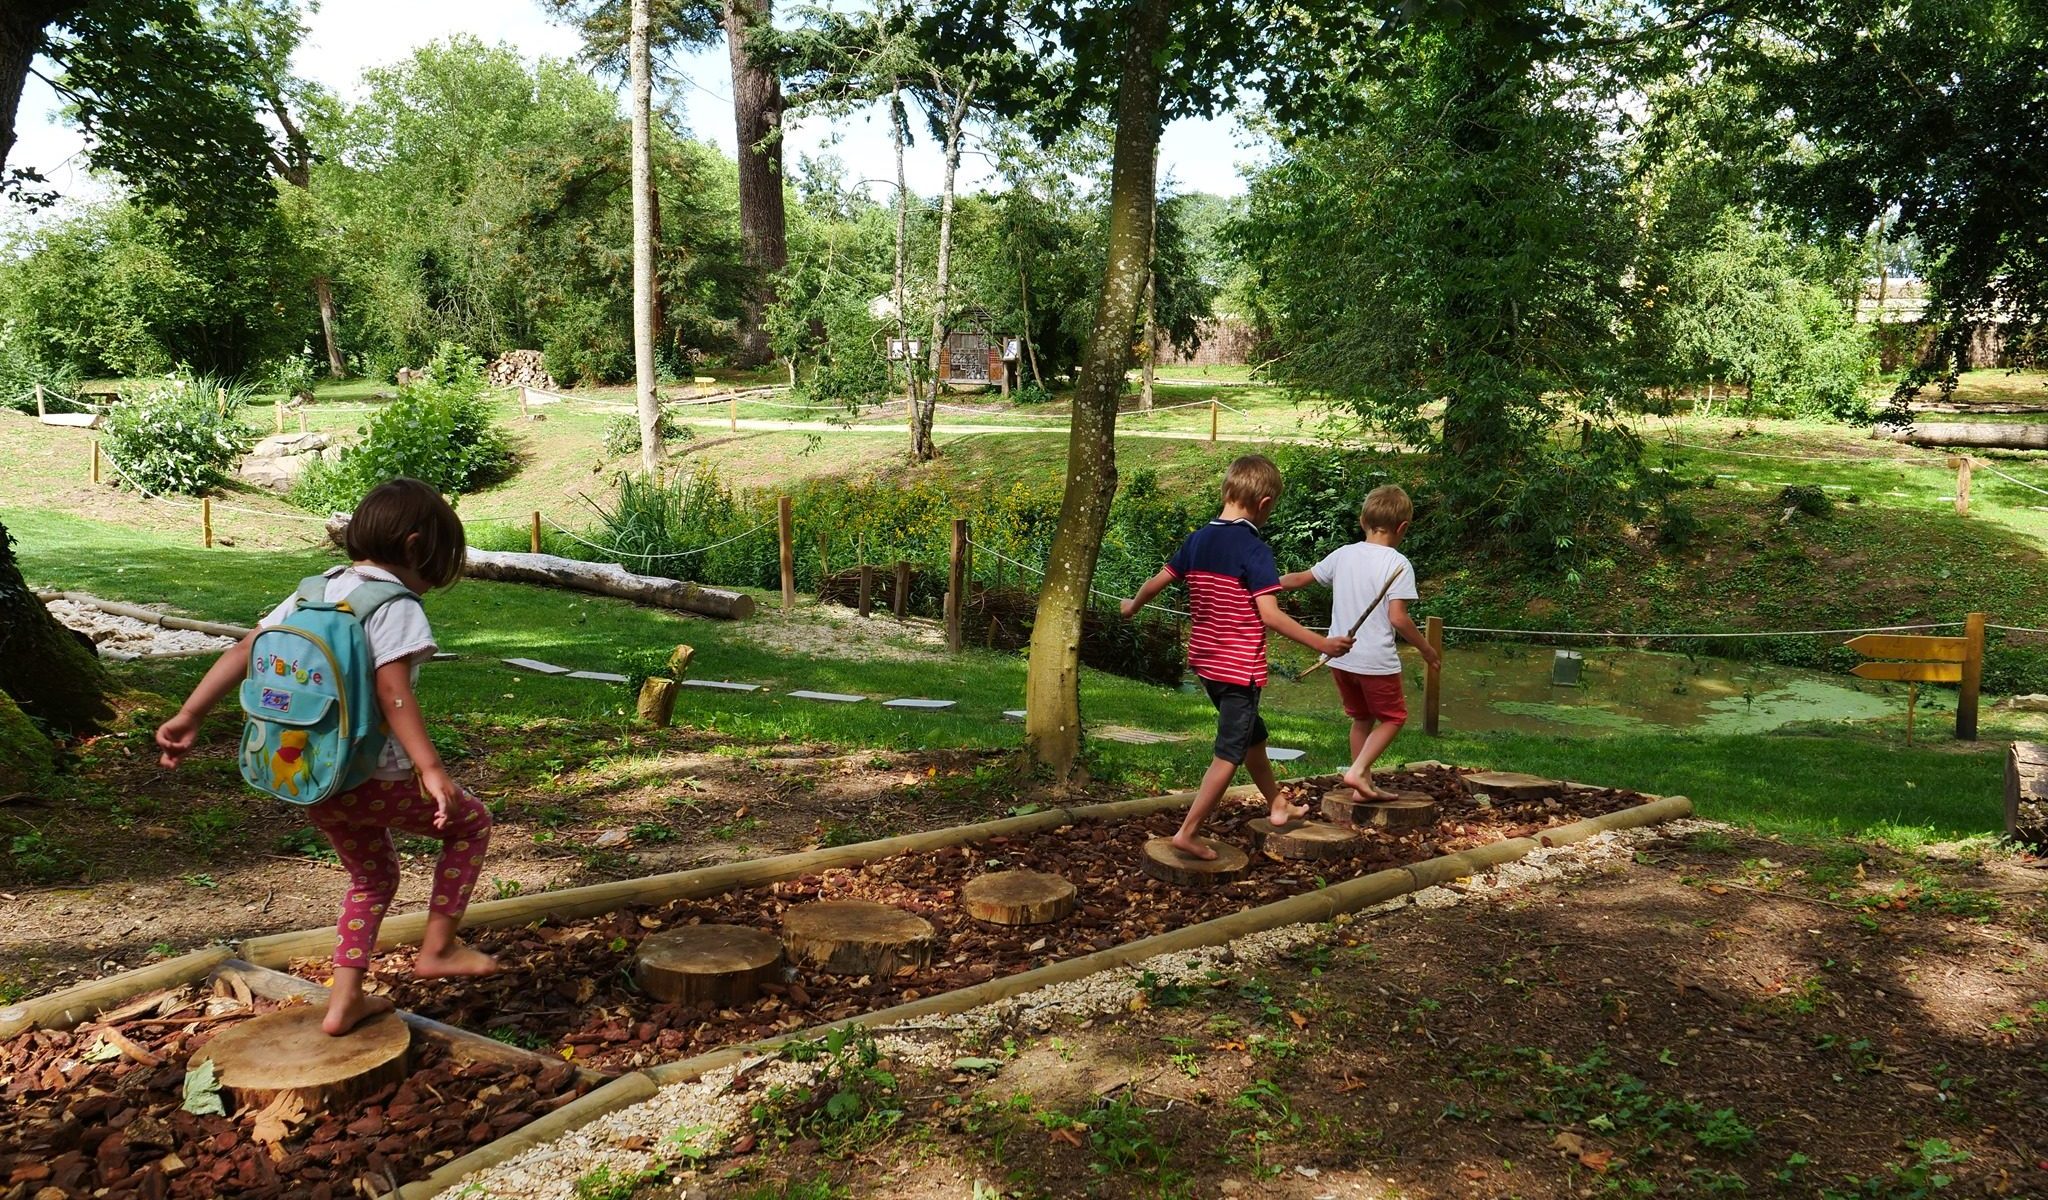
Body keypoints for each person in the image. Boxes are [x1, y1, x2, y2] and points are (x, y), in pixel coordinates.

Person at [155, 477, 497, 1035]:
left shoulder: (315, 589)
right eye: (439, 558)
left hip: (314, 776)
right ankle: (439, 949)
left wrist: (190, 714)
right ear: (415, 548)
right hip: (375, 774)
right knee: (471, 825)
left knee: (372, 878)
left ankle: (344, 1004)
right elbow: (394, 692)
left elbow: (246, 648)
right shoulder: (394, 604)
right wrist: (432, 771)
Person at [1122, 455, 1353, 860]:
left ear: (1226, 491)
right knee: (1230, 751)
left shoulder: (1197, 539)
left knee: (1252, 737)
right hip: (1238, 669)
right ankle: (1188, 833)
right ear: (1264, 504)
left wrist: (1131, 606)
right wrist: (1324, 644)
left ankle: (1277, 803)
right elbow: (1271, 616)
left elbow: (1155, 582)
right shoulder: (1255, 550)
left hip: (1207, 664)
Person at [1279, 484, 1440, 803]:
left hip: (1338, 658)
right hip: (1375, 661)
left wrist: (1262, 584)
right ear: (1403, 527)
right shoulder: (1398, 564)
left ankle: (1361, 783)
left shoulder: (1343, 554)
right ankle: (1357, 770)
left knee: (1362, 717)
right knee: (1394, 718)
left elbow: (1297, 579)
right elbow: (1398, 618)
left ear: (1363, 520)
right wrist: (1426, 649)